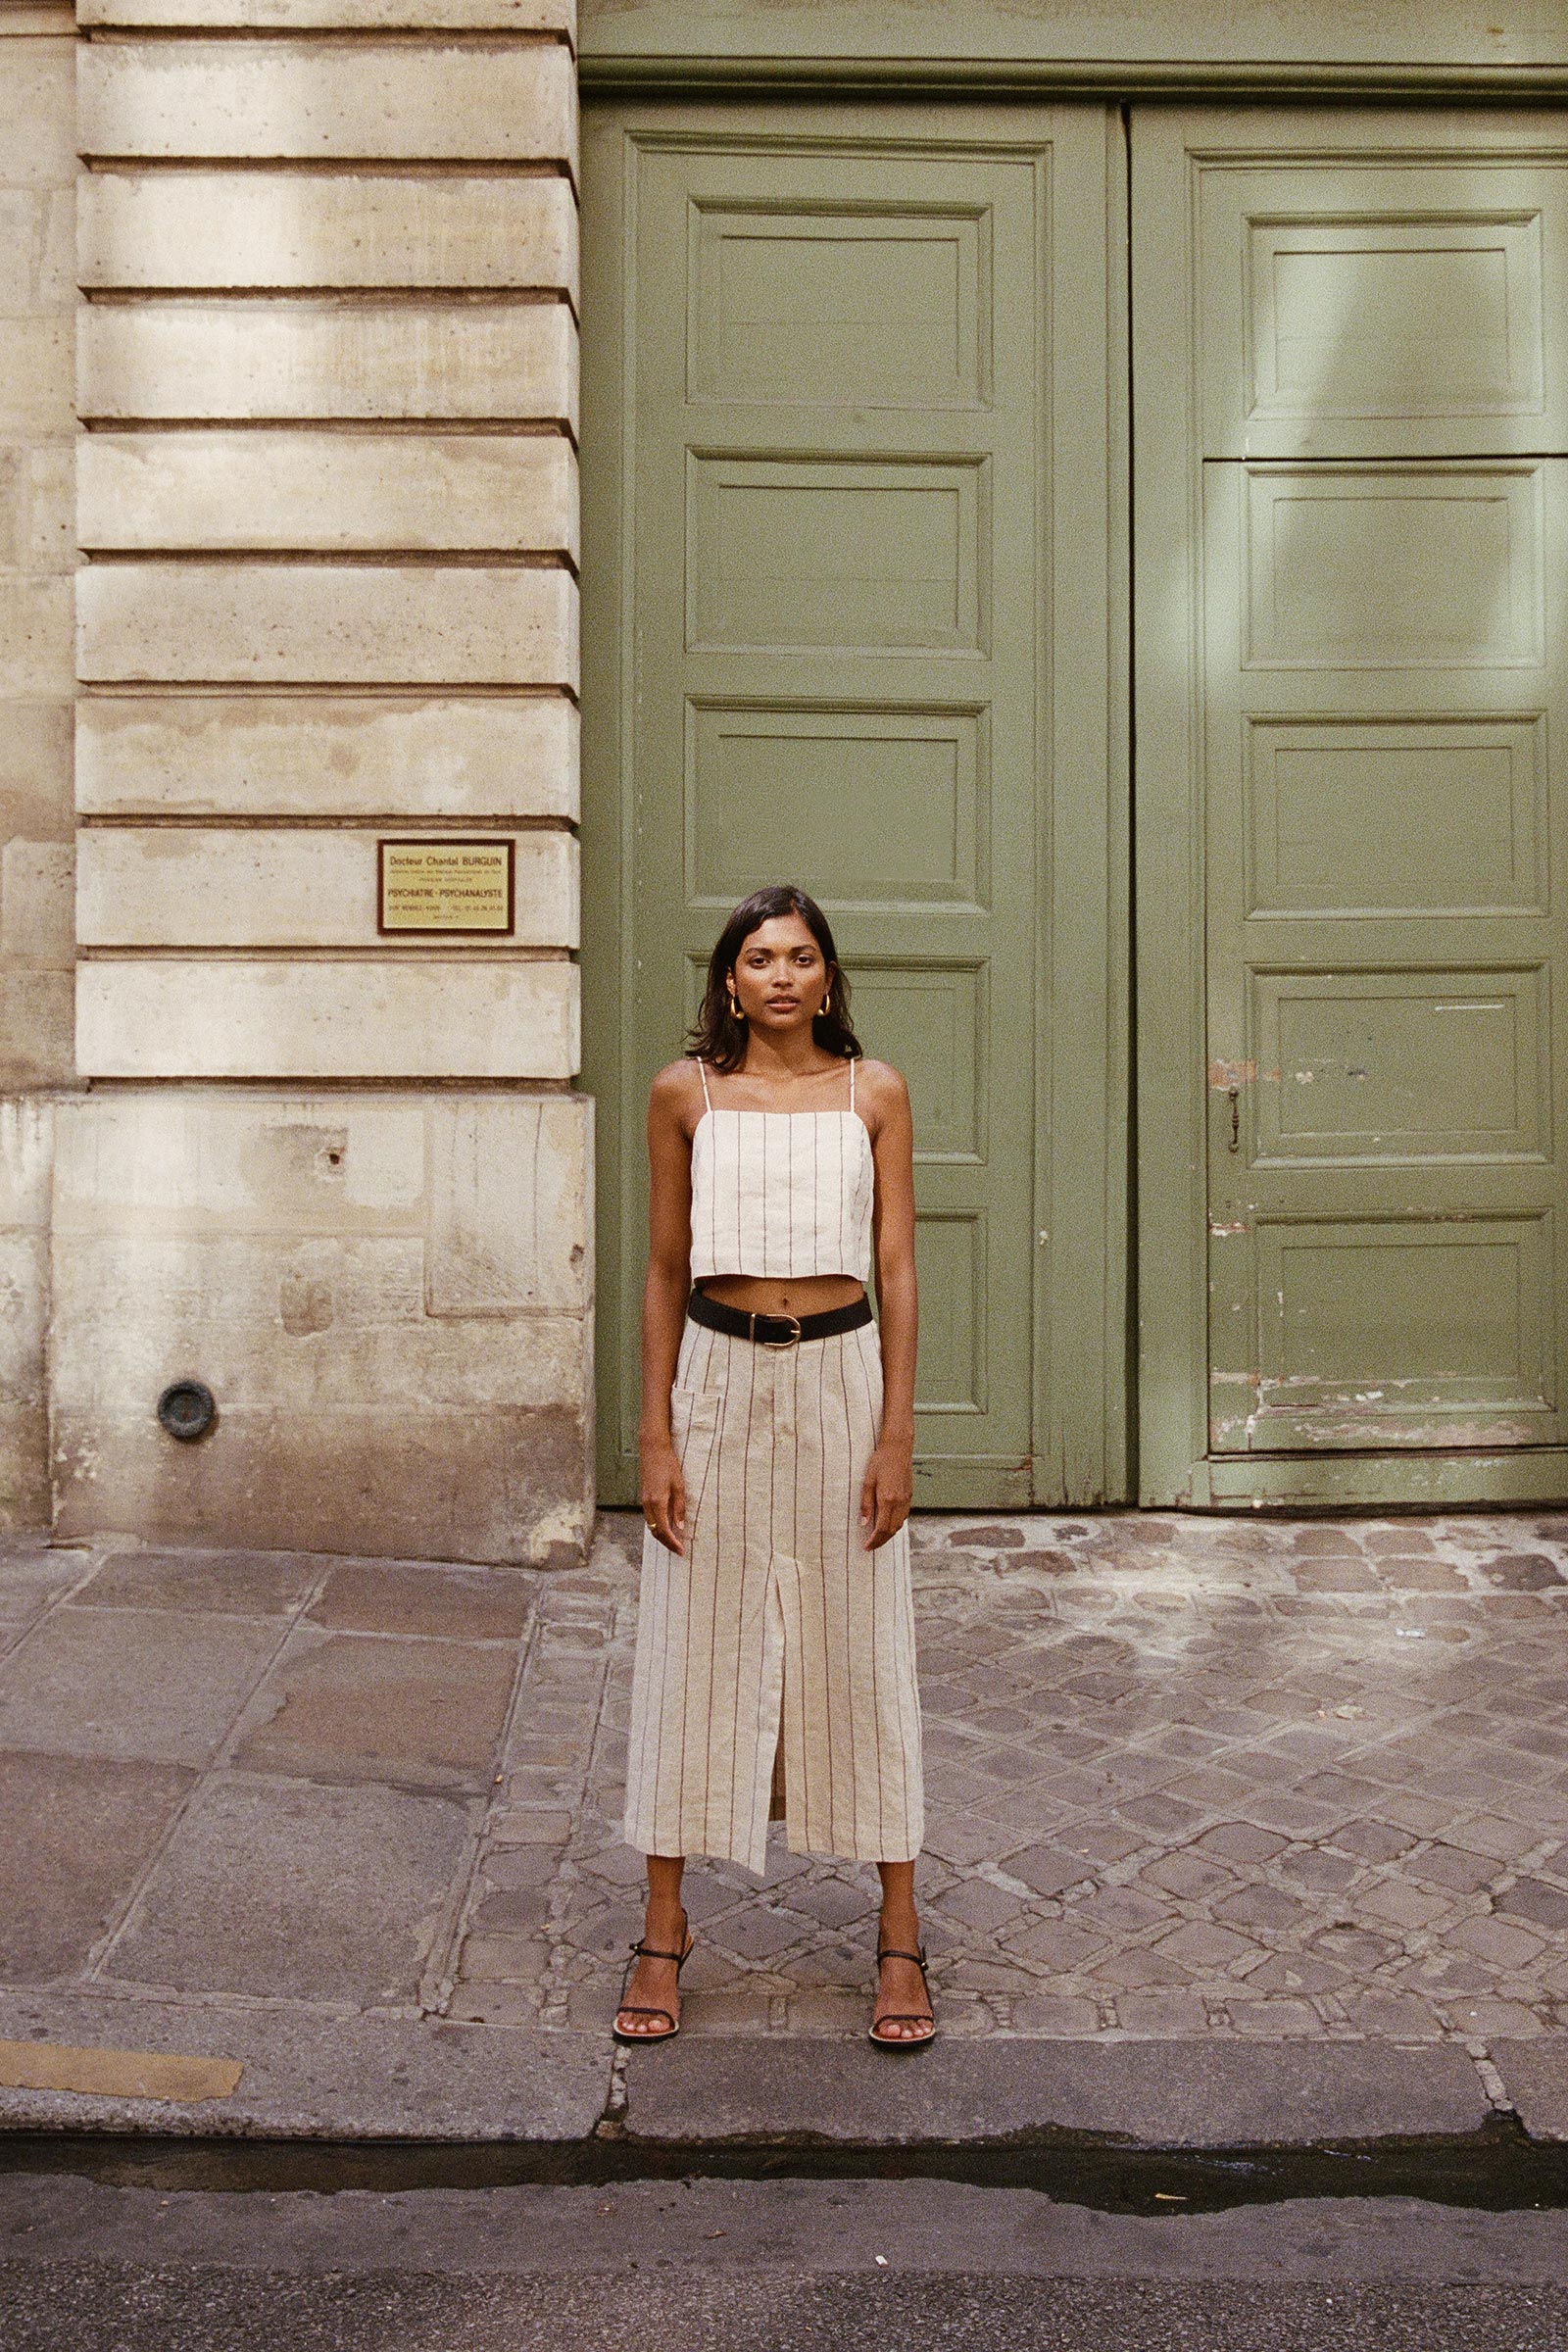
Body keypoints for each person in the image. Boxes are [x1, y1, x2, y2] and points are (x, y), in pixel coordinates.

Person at [615, 884, 932, 2050]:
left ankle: (898, 1935)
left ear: (829, 977)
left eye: (802, 958)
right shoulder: (683, 1094)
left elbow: (896, 1269)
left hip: (842, 1380)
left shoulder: (874, 1093)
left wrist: (895, 1429)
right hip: (717, 1378)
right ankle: (663, 1928)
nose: (783, 977)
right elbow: (659, 1266)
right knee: (695, 1639)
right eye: (760, 959)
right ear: (730, 981)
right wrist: (653, 1432)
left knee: (860, 1641)